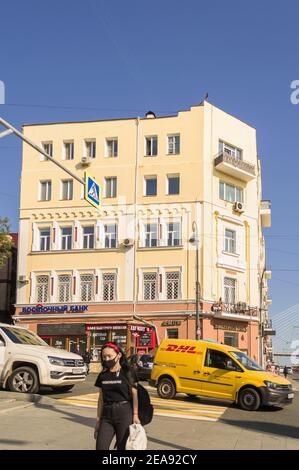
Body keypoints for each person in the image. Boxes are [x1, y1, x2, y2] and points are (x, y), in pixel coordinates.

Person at [94, 342, 140, 450]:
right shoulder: (103, 375)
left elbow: (135, 394)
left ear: (118, 355)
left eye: (109, 356)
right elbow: (101, 399)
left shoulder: (128, 372)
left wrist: (135, 415)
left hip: (124, 414)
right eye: (104, 356)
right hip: (106, 415)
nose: (106, 359)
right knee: (100, 447)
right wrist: (98, 420)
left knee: (122, 447)